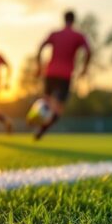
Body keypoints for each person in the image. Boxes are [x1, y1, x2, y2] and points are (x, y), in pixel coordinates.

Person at [34, 10, 92, 140]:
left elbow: (41, 47)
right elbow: (89, 51)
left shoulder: (55, 34)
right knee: (58, 108)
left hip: (50, 73)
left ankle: (37, 120)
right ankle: (43, 128)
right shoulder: (78, 36)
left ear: (64, 19)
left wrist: (38, 66)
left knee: (47, 101)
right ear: (74, 20)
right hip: (65, 76)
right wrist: (85, 68)